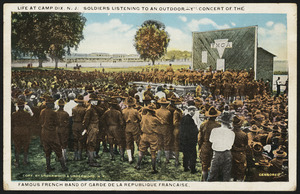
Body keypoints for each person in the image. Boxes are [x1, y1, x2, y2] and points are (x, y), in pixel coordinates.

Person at [40, 97, 68, 173]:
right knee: (58, 149)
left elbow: (41, 121)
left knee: (47, 150)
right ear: (50, 104)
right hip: (51, 133)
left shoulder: (42, 111)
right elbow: (57, 123)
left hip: (44, 132)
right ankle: (63, 166)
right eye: (52, 104)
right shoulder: (53, 113)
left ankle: (48, 167)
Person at [208, 111, 235, 181]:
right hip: (227, 153)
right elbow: (231, 144)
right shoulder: (231, 133)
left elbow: (211, 140)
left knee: (213, 173)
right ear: (229, 122)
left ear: (221, 122)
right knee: (226, 174)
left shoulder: (214, 130)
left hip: (217, 153)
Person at [135, 103, 161, 174]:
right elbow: (161, 122)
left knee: (141, 151)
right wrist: (156, 115)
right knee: (153, 152)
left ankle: (138, 165)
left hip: (144, 135)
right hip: (152, 136)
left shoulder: (143, 116)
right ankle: (153, 169)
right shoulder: (155, 118)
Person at [198, 106, 221, 181]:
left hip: (205, 145)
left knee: (204, 164)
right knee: (213, 163)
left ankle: (204, 179)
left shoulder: (203, 124)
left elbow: (200, 138)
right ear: (216, 116)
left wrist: (200, 147)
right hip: (215, 146)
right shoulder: (219, 125)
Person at [11, 99, 32, 167]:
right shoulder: (27, 114)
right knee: (26, 146)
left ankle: (17, 162)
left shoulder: (14, 114)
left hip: (16, 131)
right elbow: (30, 124)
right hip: (25, 131)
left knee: (17, 146)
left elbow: (12, 124)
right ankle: (25, 161)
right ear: (23, 106)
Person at [82, 93, 101, 167]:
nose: (95, 102)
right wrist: (85, 128)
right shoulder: (90, 109)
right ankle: (91, 161)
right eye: (94, 100)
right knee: (91, 143)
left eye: (96, 100)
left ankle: (90, 159)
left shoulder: (94, 108)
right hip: (92, 127)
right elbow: (85, 120)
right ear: (90, 101)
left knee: (92, 143)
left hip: (94, 127)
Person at [179, 105, 199, 174]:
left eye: (194, 111)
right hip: (190, 140)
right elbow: (193, 131)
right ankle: (192, 169)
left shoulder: (184, 118)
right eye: (192, 111)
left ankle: (185, 167)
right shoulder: (190, 119)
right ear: (189, 111)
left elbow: (181, 129)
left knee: (186, 154)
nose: (193, 112)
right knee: (193, 155)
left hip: (184, 140)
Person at [122, 96, 142, 164]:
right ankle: (140, 157)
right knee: (138, 142)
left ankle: (130, 158)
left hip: (127, 127)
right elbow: (140, 119)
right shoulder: (135, 111)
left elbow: (122, 121)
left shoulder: (124, 111)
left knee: (128, 142)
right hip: (135, 127)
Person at [155, 97, 172, 163]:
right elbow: (170, 121)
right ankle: (167, 159)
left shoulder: (156, 111)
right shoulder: (168, 112)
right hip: (166, 128)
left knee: (159, 143)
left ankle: (158, 158)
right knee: (166, 143)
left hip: (158, 128)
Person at [231, 115, 248, 181]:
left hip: (231, 154)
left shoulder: (230, 133)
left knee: (232, 171)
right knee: (240, 172)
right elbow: (246, 146)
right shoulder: (243, 134)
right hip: (240, 154)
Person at [72, 95, 86, 161]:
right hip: (81, 125)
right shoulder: (84, 110)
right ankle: (80, 155)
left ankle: (75, 156)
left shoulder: (74, 109)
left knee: (75, 140)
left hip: (75, 124)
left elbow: (73, 117)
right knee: (80, 140)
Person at [56, 99, 70, 164]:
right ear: (63, 106)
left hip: (57, 129)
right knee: (64, 143)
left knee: (58, 143)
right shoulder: (65, 113)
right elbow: (68, 122)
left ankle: (59, 157)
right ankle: (64, 157)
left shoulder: (55, 113)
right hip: (64, 129)